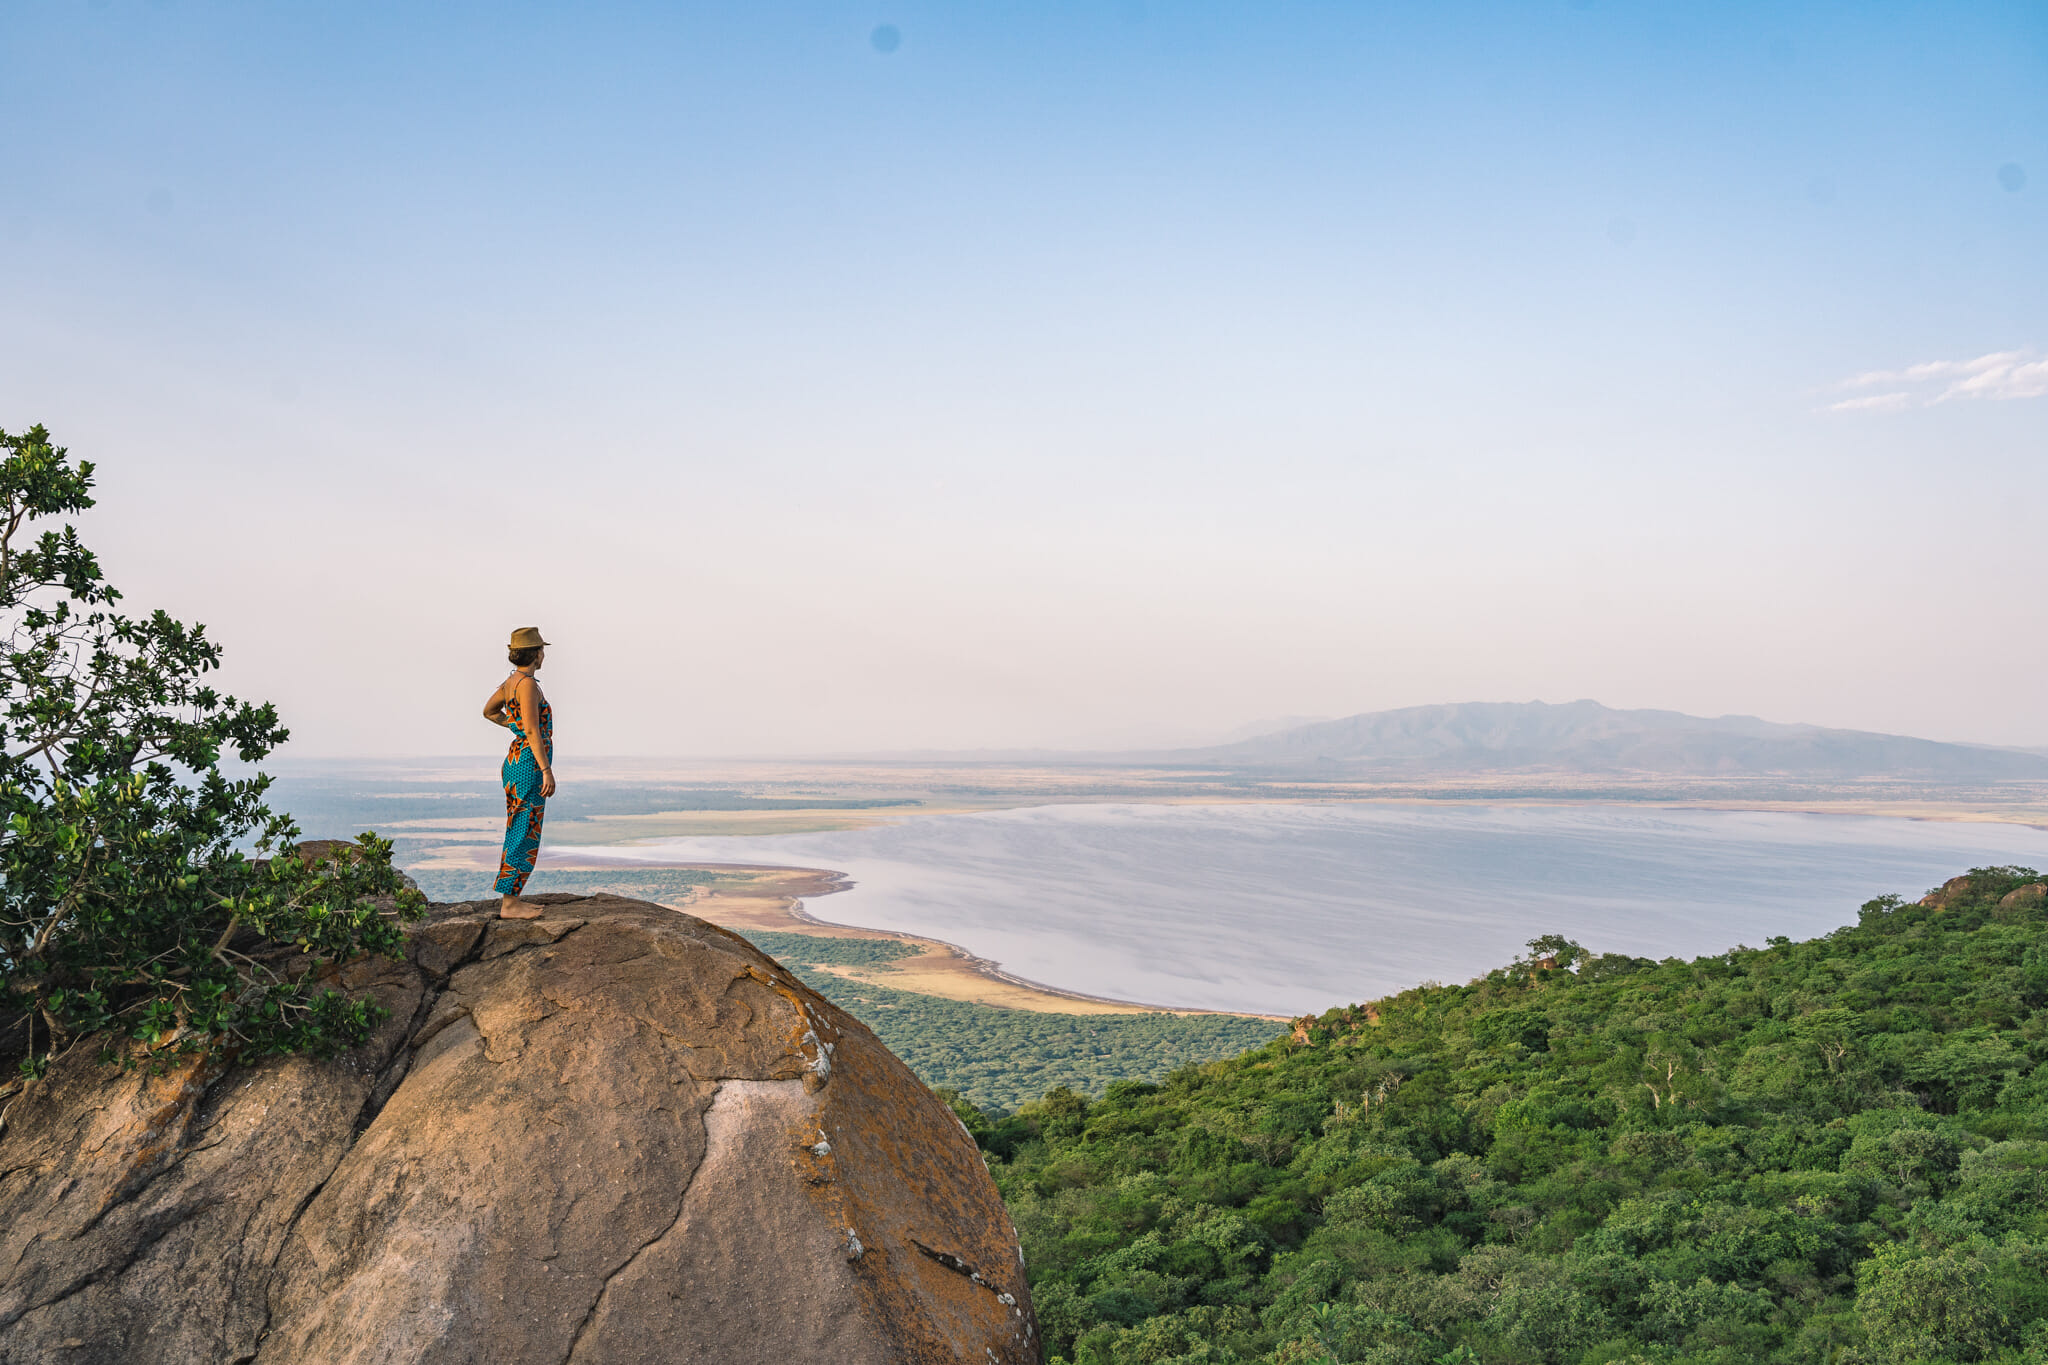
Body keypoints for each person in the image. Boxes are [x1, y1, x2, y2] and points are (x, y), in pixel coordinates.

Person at [483, 627, 555, 919]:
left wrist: (513, 726)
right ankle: (510, 904)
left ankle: (512, 899)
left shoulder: (511, 683)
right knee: (524, 829)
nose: (544, 654)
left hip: (516, 762)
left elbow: (489, 711)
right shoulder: (526, 685)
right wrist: (546, 769)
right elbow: (532, 729)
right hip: (528, 765)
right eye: (542, 649)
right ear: (536, 653)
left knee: (520, 827)